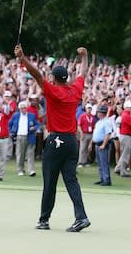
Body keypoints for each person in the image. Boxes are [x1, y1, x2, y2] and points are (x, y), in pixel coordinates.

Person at [15, 44, 90, 232]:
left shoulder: (53, 91)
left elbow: (37, 76)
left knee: (50, 182)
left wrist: (23, 59)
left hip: (56, 140)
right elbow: (83, 73)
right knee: (71, 180)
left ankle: (44, 220)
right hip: (72, 142)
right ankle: (81, 217)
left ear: (54, 79)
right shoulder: (75, 90)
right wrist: (85, 56)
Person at [8, 101, 38, 176]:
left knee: (30, 154)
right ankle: (20, 169)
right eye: (22, 108)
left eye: (24, 108)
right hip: (19, 136)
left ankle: (31, 170)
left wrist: (34, 128)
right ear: (19, 109)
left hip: (30, 136)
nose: (23, 109)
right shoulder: (16, 115)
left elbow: (37, 124)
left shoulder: (32, 115)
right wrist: (11, 132)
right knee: (20, 154)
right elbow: (9, 124)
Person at [114, 101, 131, 178]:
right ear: (126, 107)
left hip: (125, 135)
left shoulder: (126, 114)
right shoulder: (126, 115)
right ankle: (123, 171)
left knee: (124, 153)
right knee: (125, 154)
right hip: (126, 136)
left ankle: (118, 168)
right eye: (130, 107)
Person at [92, 105, 112, 186]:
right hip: (97, 144)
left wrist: (104, 144)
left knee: (104, 163)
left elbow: (108, 134)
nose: (97, 113)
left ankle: (106, 179)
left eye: (99, 112)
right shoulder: (99, 122)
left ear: (102, 113)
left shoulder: (106, 121)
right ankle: (102, 178)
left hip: (103, 144)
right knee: (100, 163)